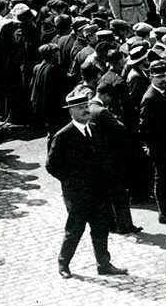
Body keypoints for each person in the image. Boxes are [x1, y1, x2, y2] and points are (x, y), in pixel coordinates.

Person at [46, 84, 128, 279]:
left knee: (101, 228)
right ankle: (63, 264)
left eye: (86, 105)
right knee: (74, 230)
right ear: (71, 111)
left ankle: (103, 263)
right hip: (77, 195)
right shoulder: (63, 136)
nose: (85, 110)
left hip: (98, 191)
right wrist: (71, 182)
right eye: (80, 107)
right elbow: (52, 166)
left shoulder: (94, 129)